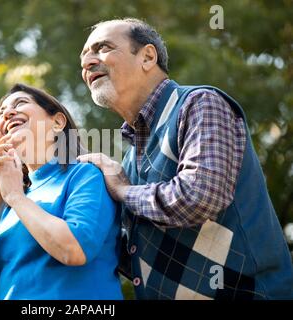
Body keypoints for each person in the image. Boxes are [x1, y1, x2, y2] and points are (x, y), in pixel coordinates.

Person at [77, 18, 293, 299]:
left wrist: (123, 191)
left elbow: (200, 197)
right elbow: (131, 258)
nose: (88, 62)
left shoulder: (200, 103)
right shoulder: (130, 160)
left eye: (102, 48)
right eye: (84, 57)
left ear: (147, 56)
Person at [0, 83, 123, 300]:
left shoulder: (85, 175)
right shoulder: (8, 203)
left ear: (57, 122)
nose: (8, 113)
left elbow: (74, 249)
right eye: (1, 113)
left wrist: (15, 197)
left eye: (21, 103)